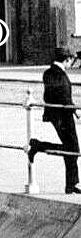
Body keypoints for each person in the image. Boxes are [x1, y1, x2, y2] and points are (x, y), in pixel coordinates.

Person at [28, 47, 81, 193]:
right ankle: (38, 145)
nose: (72, 64)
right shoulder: (59, 75)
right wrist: (74, 110)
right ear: (67, 59)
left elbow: (53, 95)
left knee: (71, 149)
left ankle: (71, 184)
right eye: (71, 61)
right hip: (63, 116)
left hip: (57, 115)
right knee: (74, 149)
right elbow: (63, 96)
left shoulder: (49, 72)